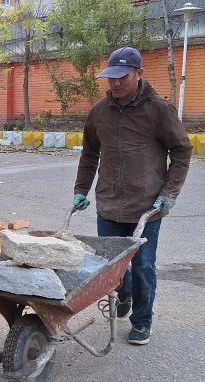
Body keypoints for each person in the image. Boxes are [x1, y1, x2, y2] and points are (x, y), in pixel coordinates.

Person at [72, 47, 193, 346]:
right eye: (111, 78)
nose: (115, 84)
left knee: (142, 266)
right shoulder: (99, 112)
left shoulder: (159, 110)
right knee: (110, 264)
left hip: (147, 204)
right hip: (109, 202)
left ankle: (142, 322)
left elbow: (182, 150)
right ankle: (123, 293)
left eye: (122, 77)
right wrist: (80, 190)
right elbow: (89, 154)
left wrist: (169, 193)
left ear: (139, 74)